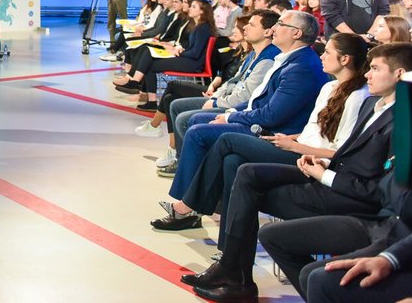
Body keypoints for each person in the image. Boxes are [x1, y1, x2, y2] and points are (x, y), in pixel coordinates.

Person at [180, 42, 406, 302]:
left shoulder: (391, 115)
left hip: (349, 194)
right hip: (325, 169)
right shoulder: (372, 104)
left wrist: (322, 171)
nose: (367, 74)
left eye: (375, 68)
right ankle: (233, 270)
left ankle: (231, 268)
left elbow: (375, 183)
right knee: (241, 171)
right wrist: (319, 162)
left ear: (399, 74)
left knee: (236, 162)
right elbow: (346, 153)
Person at [152, 33, 371, 251]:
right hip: (294, 144)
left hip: (309, 160)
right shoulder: (330, 88)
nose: (322, 56)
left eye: (328, 52)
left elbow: (341, 152)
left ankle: (189, 206)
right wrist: (292, 138)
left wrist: (295, 146)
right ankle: (229, 249)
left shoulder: (356, 97)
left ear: (345, 59)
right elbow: (314, 130)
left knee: (226, 140)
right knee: (232, 161)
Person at [162, 10, 329, 211]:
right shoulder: (287, 59)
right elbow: (257, 99)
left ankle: (188, 204)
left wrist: (231, 117)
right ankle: (194, 201)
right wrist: (230, 113)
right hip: (263, 122)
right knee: (200, 126)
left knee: (198, 131)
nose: (274, 28)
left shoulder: (301, 67)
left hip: (276, 133)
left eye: (280, 24)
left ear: (296, 33)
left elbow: (271, 115)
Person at [156, 10, 281, 175]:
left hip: (238, 108)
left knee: (184, 116)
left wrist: (216, 102)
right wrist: (216, 96)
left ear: (267, 31)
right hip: (225, 98)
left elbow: (246, 96)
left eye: (251, 25)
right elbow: (233, 81)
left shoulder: (267, 59)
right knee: (175, 104)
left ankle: (189, 166)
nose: (245, 28)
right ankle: (181, 160)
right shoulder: (254, 54)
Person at [116, 0, 214, 112]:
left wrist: (179, 52)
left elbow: (195, 53)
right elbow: (191, 47)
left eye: (193, 7)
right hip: (188, 58)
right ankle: (141, 90)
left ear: (202, 11)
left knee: (151, 65)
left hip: (193, 63)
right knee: (148, 55)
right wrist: (178, 49)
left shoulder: (203, 28)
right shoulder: (196, 26)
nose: (190, 9)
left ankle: (144, 94)